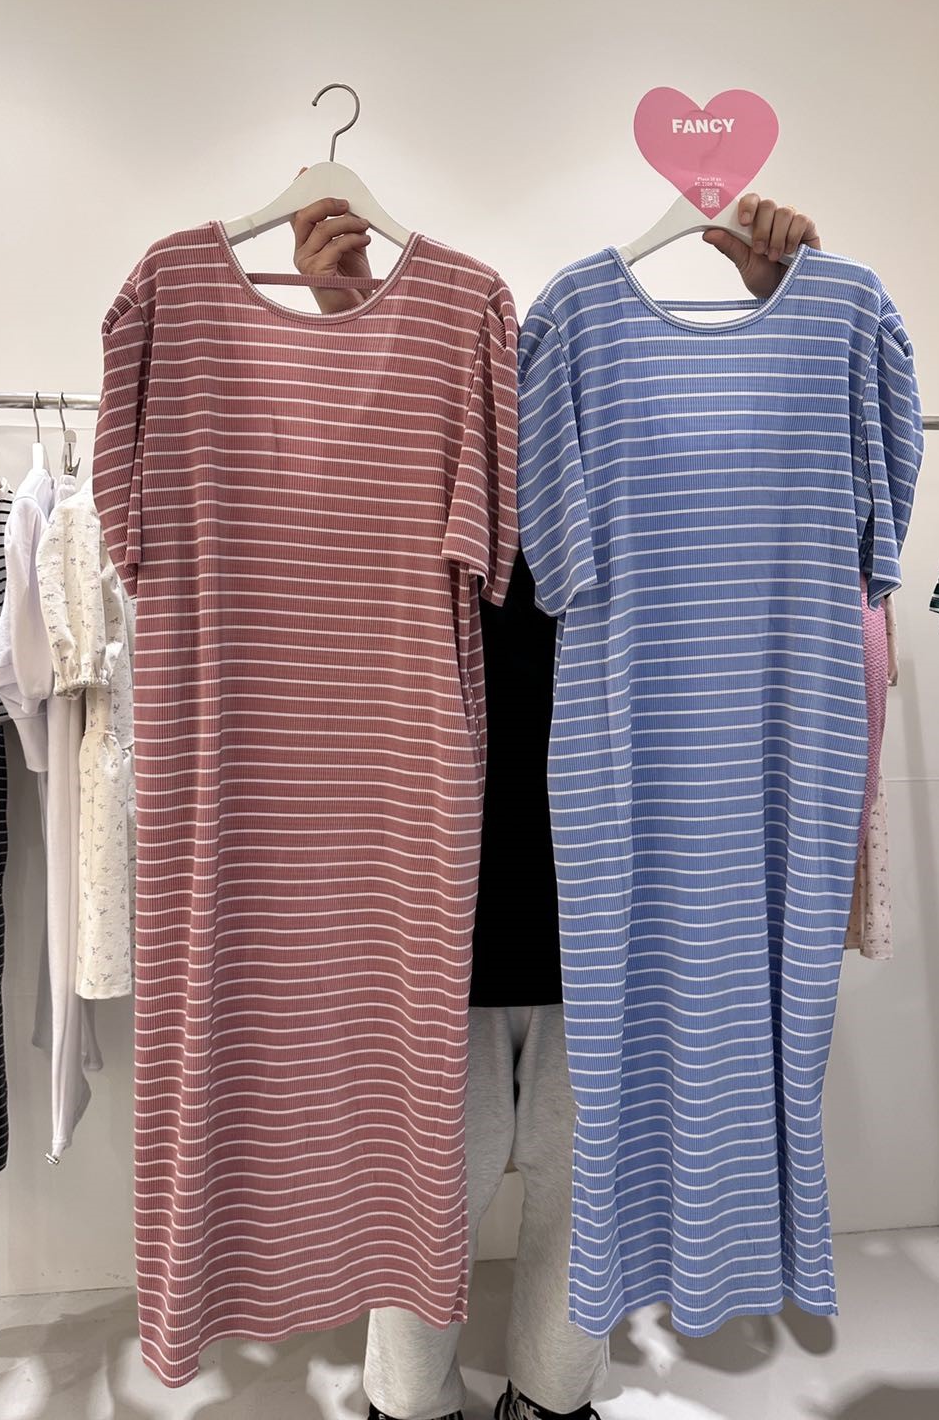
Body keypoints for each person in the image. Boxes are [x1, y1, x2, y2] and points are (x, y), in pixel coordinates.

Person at [290, 194, 822, 1420]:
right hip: (441, 919)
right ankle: (406, 1405)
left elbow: (767, 504)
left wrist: (779, 316)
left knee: (594, 1197)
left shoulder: (659, 478)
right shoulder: (417, 476)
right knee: (428, 1190)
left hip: (616, 920)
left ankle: (549, 1398)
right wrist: (347, 328)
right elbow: (329, 515)